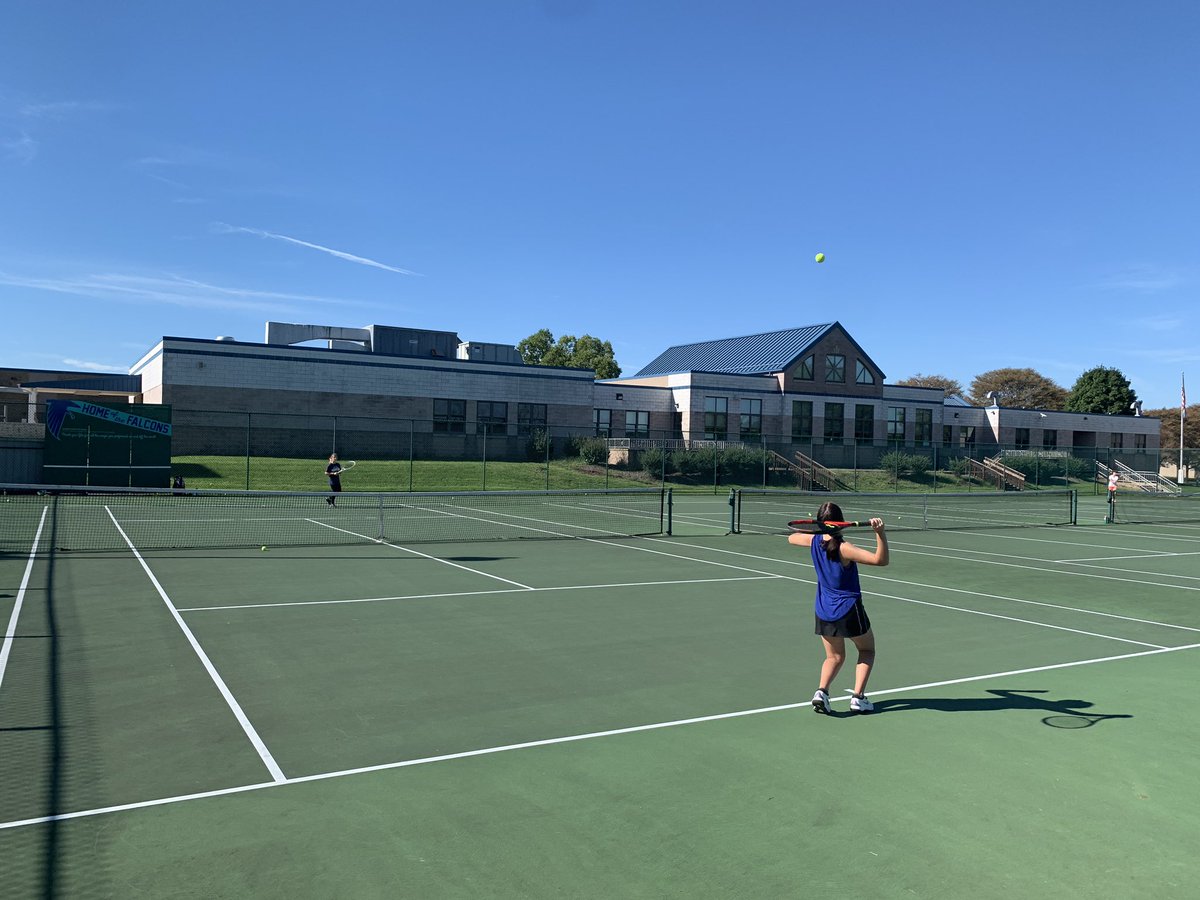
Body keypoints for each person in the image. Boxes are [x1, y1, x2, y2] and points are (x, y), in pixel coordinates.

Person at [788, 502, 889, 715]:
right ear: (841, 523)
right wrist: (880, 533)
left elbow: (792, 537)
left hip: (824, 610)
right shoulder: (845, 548)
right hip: (849, 610)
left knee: (833, 657)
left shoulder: (814, 542)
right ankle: (858, 698)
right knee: (867, 650)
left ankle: (821, 692)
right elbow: (881, 560)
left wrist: (817, 530)